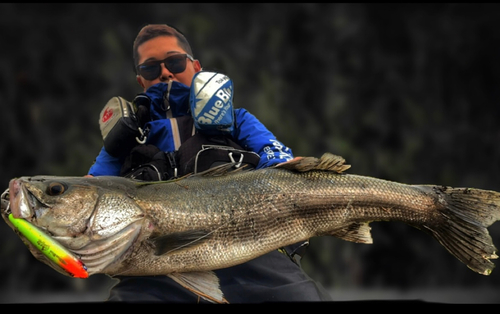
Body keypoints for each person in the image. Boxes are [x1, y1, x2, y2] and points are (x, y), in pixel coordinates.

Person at [87, 23, 332, 303]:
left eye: (175, 61)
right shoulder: (124, 141)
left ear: (196, 66)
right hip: (155, 270)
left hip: (249, 251)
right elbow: (90, 191)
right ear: (141, 80)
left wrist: (286, 167)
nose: (165, 72)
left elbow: (274, 155)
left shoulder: (237, 119)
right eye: (151, 68)